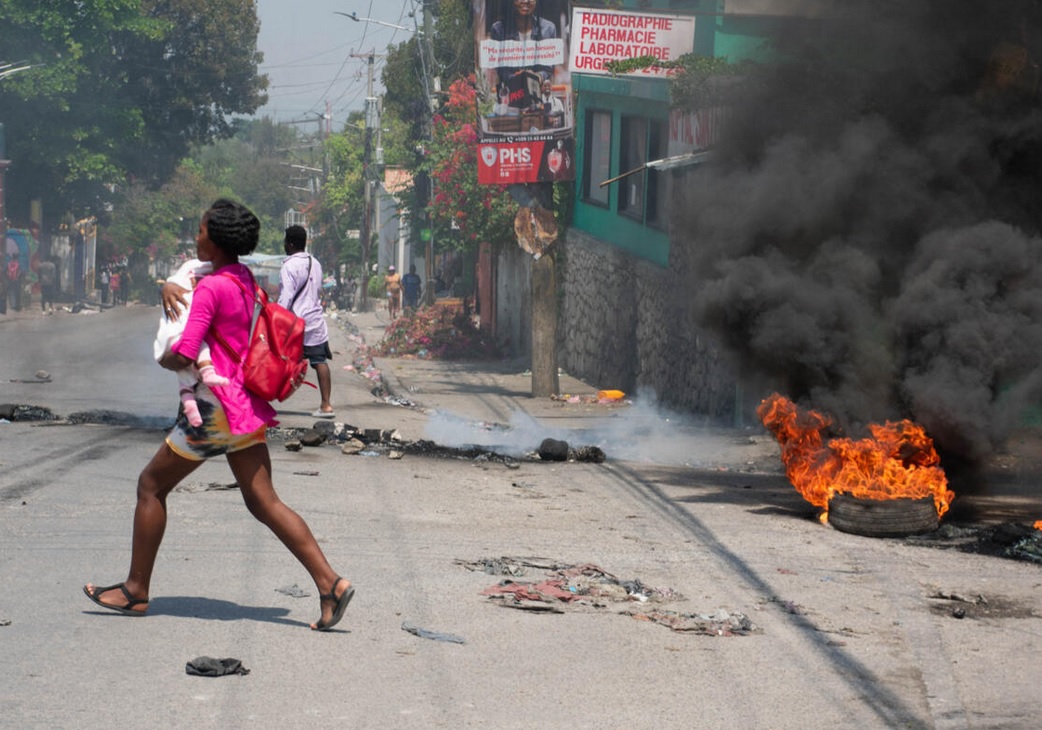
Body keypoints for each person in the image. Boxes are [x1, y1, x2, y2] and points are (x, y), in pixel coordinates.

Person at [83, 199, 353, 631]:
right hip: (242, 405)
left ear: (217, 237)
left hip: (213, 411)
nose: (196, 236)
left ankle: (136, 590)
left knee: (150, 486)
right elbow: (187, 278)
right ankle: (330, 583)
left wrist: (166, 357)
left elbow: (187, 350)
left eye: (201, 230)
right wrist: (163, 286)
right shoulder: (241, 278)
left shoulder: (211, 289)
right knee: (264, 501)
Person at [153, 258, 230, 427]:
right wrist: (169, 286)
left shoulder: (228, 277)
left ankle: (188, 422)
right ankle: (186, 419)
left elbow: (185, 356)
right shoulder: (195, 268)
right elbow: (178, 281)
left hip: (218, 366)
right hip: (202, 351)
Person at [279, 224, 335, 419]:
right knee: (320, 361)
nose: (285, 244)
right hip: (315, 320)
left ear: (291, 244)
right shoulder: (316, 263)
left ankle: (264, 400)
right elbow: (318, 289)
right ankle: (326, 405)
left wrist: (277, 316)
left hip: (295, 323)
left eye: (286, 241)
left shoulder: (289, 266)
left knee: (278, 359)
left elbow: (286, 296)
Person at [490, 0, 557, 93]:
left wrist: (536, 77)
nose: (526, 1)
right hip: (511, 96)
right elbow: (501, 71)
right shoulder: (498, 30)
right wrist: (520, 78)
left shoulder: (548, 29)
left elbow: (548, 69)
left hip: (538, 94)